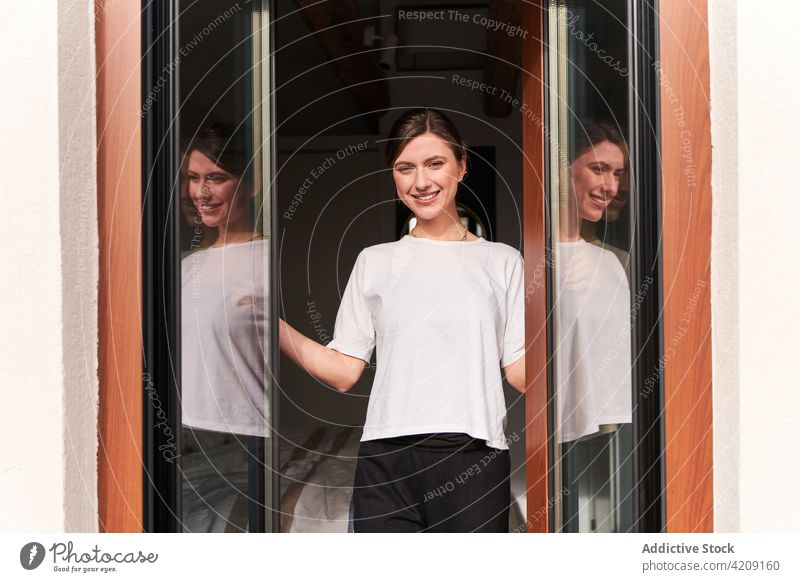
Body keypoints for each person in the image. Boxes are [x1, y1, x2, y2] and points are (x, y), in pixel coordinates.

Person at [279, 108, 525, 533]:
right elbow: (343, 372)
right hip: (384, 461)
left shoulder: (503, 261)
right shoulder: (374, 262)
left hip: (473, 456)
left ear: (462, 167)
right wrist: (268, 326)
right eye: (404, 168)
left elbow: (520, 372)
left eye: (435, 164)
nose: (421, 182)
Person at [180, 123, 268, 532]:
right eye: (194, 179)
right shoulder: (187, 266)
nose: (202, 192)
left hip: (247, 436)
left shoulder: (269, 258)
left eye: (216, 178)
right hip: (183, 439)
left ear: (248, 184)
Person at [555, 118, 632, 443]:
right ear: (563, 170)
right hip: (546, 437)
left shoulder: (612, 263)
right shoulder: (526, 260)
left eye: (616, 174)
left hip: (616, 432)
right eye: (599, 169)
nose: (611, 187)